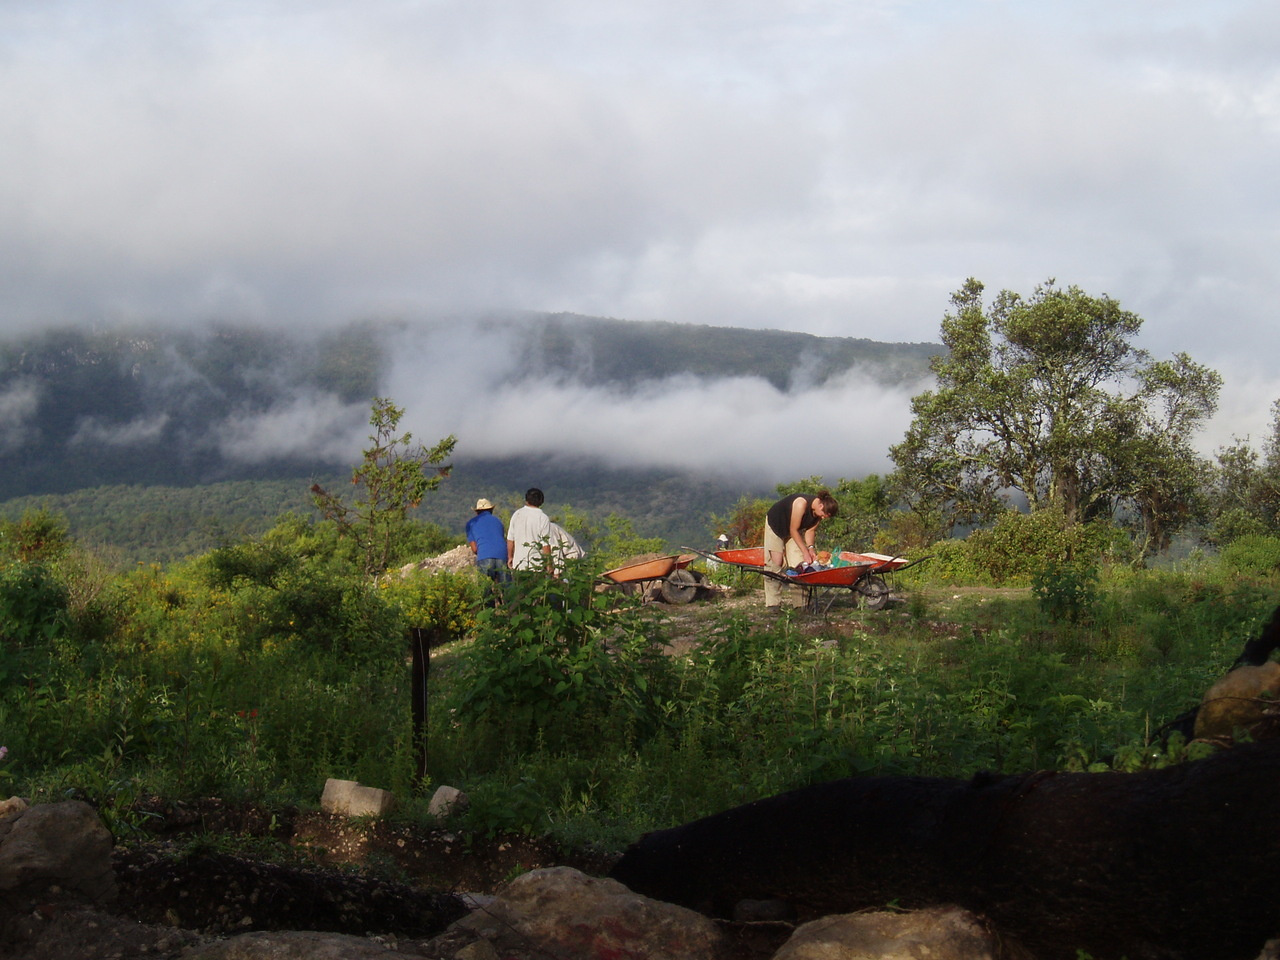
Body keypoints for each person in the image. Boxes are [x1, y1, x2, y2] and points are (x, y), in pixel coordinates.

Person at [762, 490, 839, 609]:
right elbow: (794, 529)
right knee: (776, 563)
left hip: (793, 532)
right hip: (776, 526)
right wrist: (805, 551)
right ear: (821, 505)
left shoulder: (817, 514)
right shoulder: (801, 504)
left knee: (800, 564)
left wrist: (811, 549)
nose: (823, 518)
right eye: (824, 515)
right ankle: (773, 604)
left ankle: (801, 604)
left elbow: (810, 531)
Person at [466, 498, 510, 590]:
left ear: (477, 511)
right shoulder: (498, 522)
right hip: (502, 556)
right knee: (507, 592)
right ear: (491, 510)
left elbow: (474, 549)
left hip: (484, 556)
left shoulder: (471, 523)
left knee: (485, 591)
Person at [507, 487, 553, 572]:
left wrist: (510, 557)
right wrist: (549, 565)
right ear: (541, 501)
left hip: (518, 565)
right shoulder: (543, 518)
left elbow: (510, 540)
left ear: (526, 500)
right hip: (536, 566)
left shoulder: (517, 514)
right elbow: (545, 544)